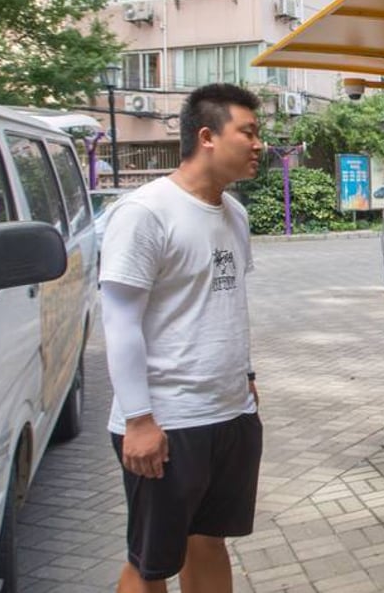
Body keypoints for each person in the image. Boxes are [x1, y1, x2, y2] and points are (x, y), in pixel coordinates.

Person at [101, 83, 264, 593]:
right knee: (152, 563)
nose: (260, 144)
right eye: (250, 132)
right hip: (167, 422)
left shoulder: (234, 213)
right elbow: (120, 323)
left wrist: (247, 377)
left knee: (209, 541)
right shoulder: (145, 213)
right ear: (207, 136)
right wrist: (139, 419)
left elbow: (227, 301)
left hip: (230, 411)